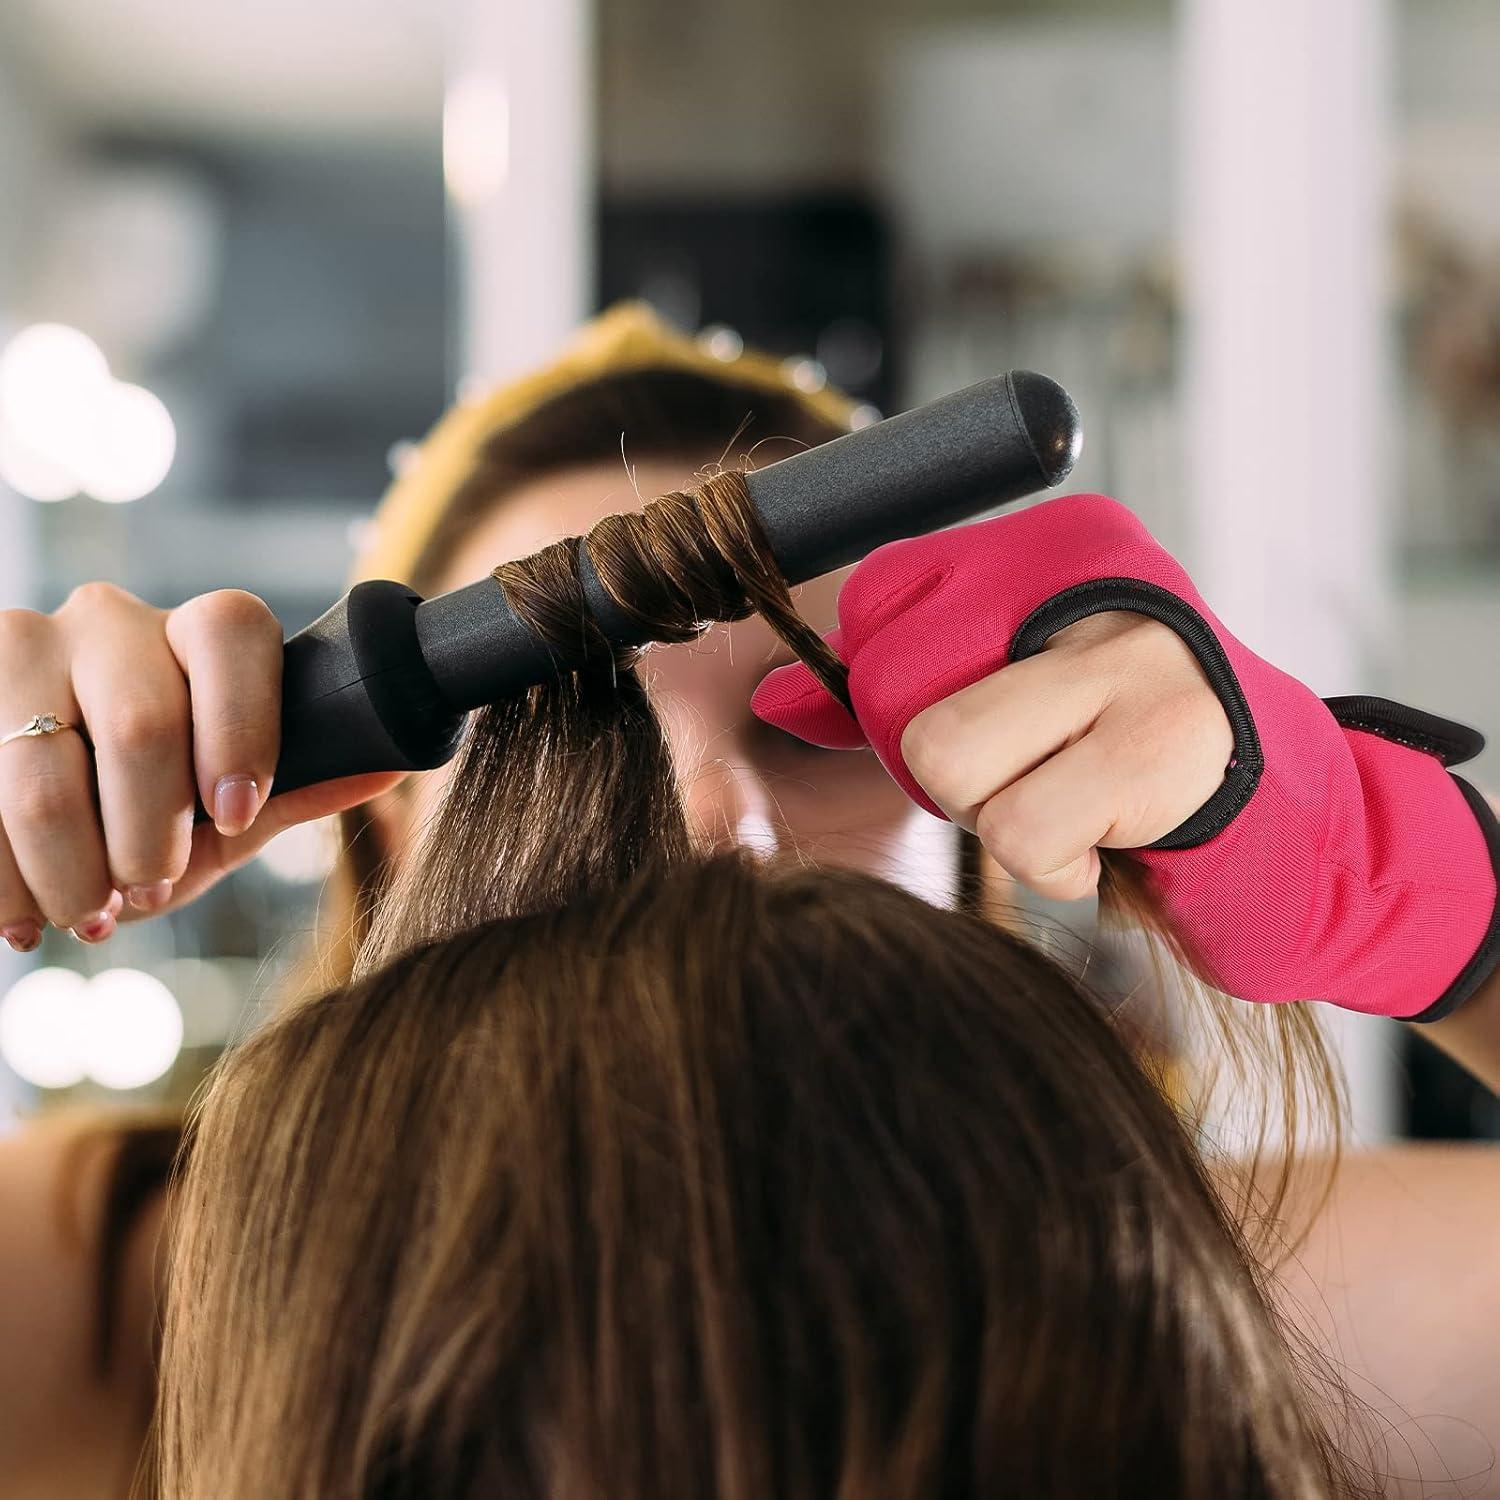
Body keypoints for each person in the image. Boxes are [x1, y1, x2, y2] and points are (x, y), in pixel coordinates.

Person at [0, 304, 1498, 1494]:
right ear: (373, 837)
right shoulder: (132, 1283)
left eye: (813, 726)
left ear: (989, 827)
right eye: (558, 744)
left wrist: (1424, 892)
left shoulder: (1151, 1266)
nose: (720, 827)